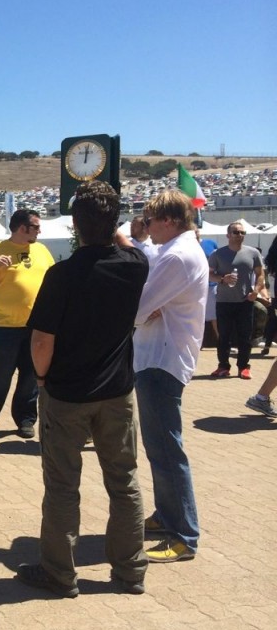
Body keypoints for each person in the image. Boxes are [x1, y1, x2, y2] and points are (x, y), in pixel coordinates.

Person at [15, 181, 150, 598]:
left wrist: (40, 379)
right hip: (117, 393)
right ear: (115, 223)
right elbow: (126, 245)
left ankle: (60, 574)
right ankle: (129, 574)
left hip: (67, 395)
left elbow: (41, 341)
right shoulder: (135, 264)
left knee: (62, 487)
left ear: (75, 226)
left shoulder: (62, 275)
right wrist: (116, 229)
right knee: (124, 482)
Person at [133, 190, 208, 563]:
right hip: (159, 359)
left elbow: (138, 306)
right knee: (159, 447)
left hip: (161, 362)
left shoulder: (178, 255)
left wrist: (145, 310)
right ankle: (167, 517)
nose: (146, 228)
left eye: (150, 221)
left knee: (166, 450)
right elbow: (148, 301)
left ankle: (184, 535)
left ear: (169, 220)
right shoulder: (177, 251)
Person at [0, 208, 54, 439]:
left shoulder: (41, 250)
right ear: (22, 228)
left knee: (30, 376)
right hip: (5, 325)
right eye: (36, 227)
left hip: (36, 325)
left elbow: (51, 280)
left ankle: (25, 421)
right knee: (0, 374)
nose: (40, 230)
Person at [208, 220, 265, 379]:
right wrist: (221, 279)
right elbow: (209, 273)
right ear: (228, 235)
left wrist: (256, 291)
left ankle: (244, 367)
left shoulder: (253, 253)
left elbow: (261, 274)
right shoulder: (218, 254)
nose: (239, 235)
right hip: (224, 301)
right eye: (236, 232)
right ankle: (223, 366)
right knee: (224, 336)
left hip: (245, 301)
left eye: (242, 233)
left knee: (245, 336)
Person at [197, 228, 219, 341]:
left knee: (215, 315)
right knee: (196, 315)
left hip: (211, 284)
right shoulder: (185, 247)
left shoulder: (210, 243)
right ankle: (199, 341)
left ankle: (221, 340)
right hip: (194, 286)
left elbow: (218, 259)